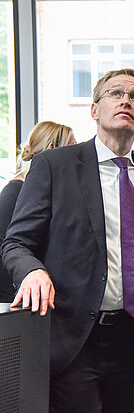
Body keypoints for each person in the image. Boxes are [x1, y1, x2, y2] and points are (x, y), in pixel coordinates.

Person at [3, 68, 134, 413]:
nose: (126, 100)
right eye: (115, 94)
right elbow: (15, 244)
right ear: (95, 109)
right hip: (74, 336)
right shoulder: (54, 166)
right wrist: (32, 272)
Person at [0, 121, 75, 303]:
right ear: (52, 148)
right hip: (20, 299)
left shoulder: (58, 194)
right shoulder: (13, 193)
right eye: (72, 148)